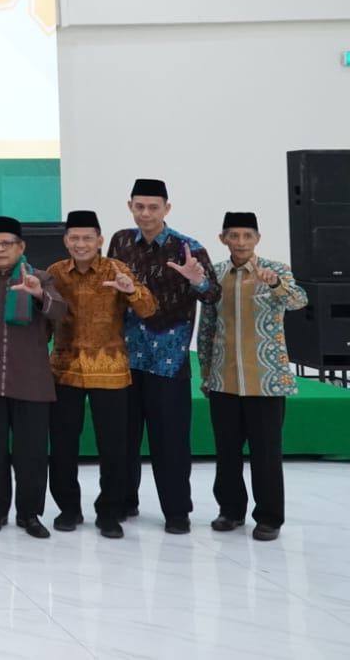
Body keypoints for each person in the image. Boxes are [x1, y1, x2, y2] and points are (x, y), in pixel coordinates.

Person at [107, 177, 221, 534]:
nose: (146, 213)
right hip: (126, 356)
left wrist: (197, 280)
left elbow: (213, 294)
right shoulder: (120, 241)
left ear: (166, 209)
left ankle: (176, 512)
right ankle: (124, 501)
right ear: (130, 206)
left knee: (170, 441)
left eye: (153, 207)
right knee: (124, 437)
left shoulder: (188, 247)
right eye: (139, 206)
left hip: (168, 361)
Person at [46, 210, 156, 539]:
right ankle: (68, 508)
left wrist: (130, 290)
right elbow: (44, 316)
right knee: (63, 445)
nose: (81, 244)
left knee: (114, 447)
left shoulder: (116, 269)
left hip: (110, 371)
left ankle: (110, 512)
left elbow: (149, 309)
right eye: (74, 238)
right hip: (65, 370)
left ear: (99, 240)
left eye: (87, 238)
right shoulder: (55, 272)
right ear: (66, 241)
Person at [200, 211, 310, 541]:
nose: (241, 242)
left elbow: (299, 301)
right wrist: (205, 372)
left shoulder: (275, 270)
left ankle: (269, 518)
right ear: (223, 239)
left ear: (257, 239)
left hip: (266, 379)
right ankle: (230, 511)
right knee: (227, 452)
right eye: (234, 235)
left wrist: (275, 284)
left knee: (266, 453)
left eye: (247, 235)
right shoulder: (216, 274)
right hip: (224, 379)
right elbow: (207, 326)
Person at [0, 216, 66, 539]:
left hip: (32, 384)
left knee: (32, 455)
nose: (0, 249)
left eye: (7, 244)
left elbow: (60, 312)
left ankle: (30, 514)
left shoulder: (41, 277)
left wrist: (39, 294)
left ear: (21, 247)